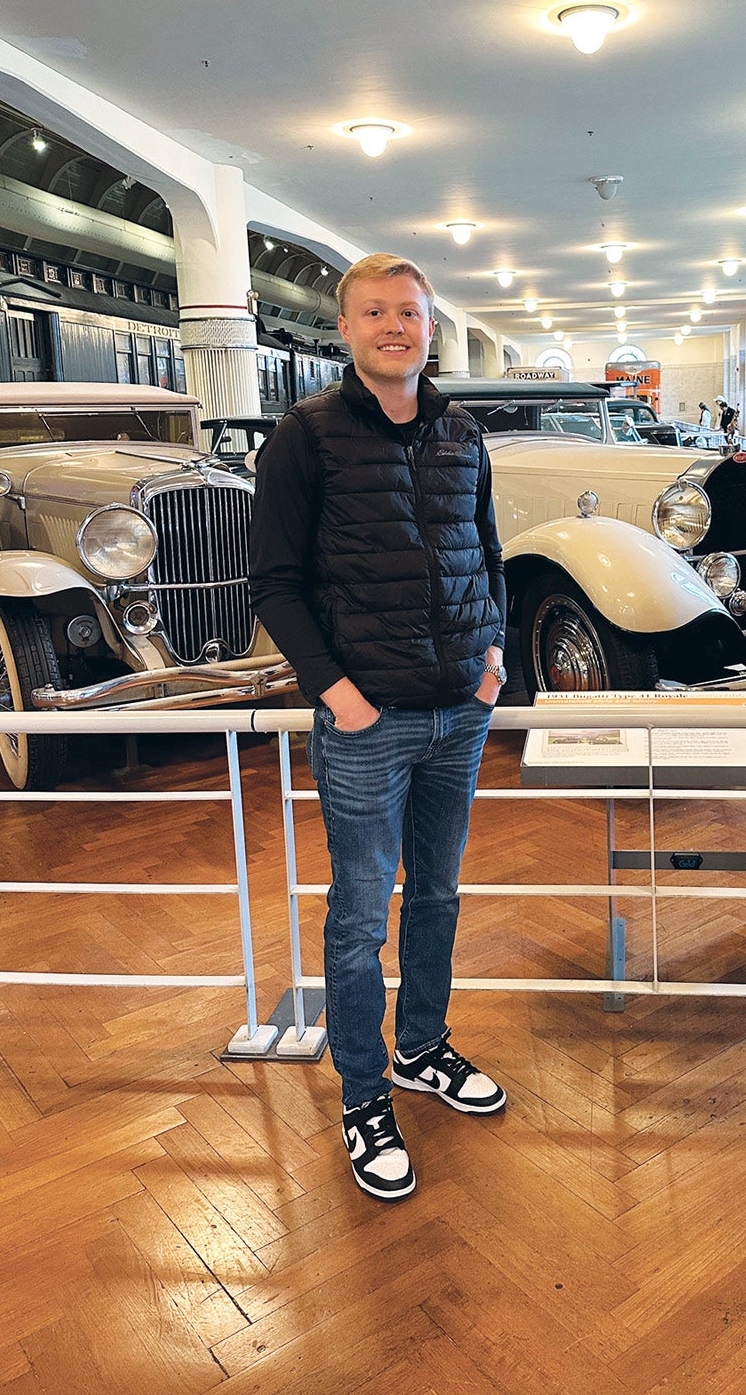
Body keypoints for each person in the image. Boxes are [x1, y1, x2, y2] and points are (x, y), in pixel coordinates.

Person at [249, 253, 508, 1202]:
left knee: (437, 894)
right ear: (346, 329)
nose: (394, 327)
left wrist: (491, 663)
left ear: (429, 328)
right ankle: (364, 1094)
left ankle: (423, 1047)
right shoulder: (306, 435)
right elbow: (274, 581)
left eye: (408, 312)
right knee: (359, 915)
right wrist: (338, 693)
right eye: (374, 313)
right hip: (368, 723)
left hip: (458, 713)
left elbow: (487, 553)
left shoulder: (464, 433)